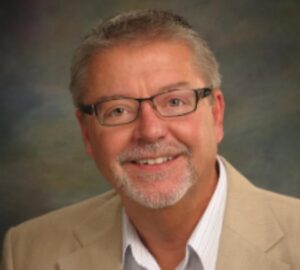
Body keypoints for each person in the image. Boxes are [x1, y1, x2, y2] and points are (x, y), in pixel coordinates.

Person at [1, 9, 299, 270]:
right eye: (118, 109)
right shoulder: (28, 251)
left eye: (174, 102)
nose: (150, 130)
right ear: (87, 133)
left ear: (216, 114)